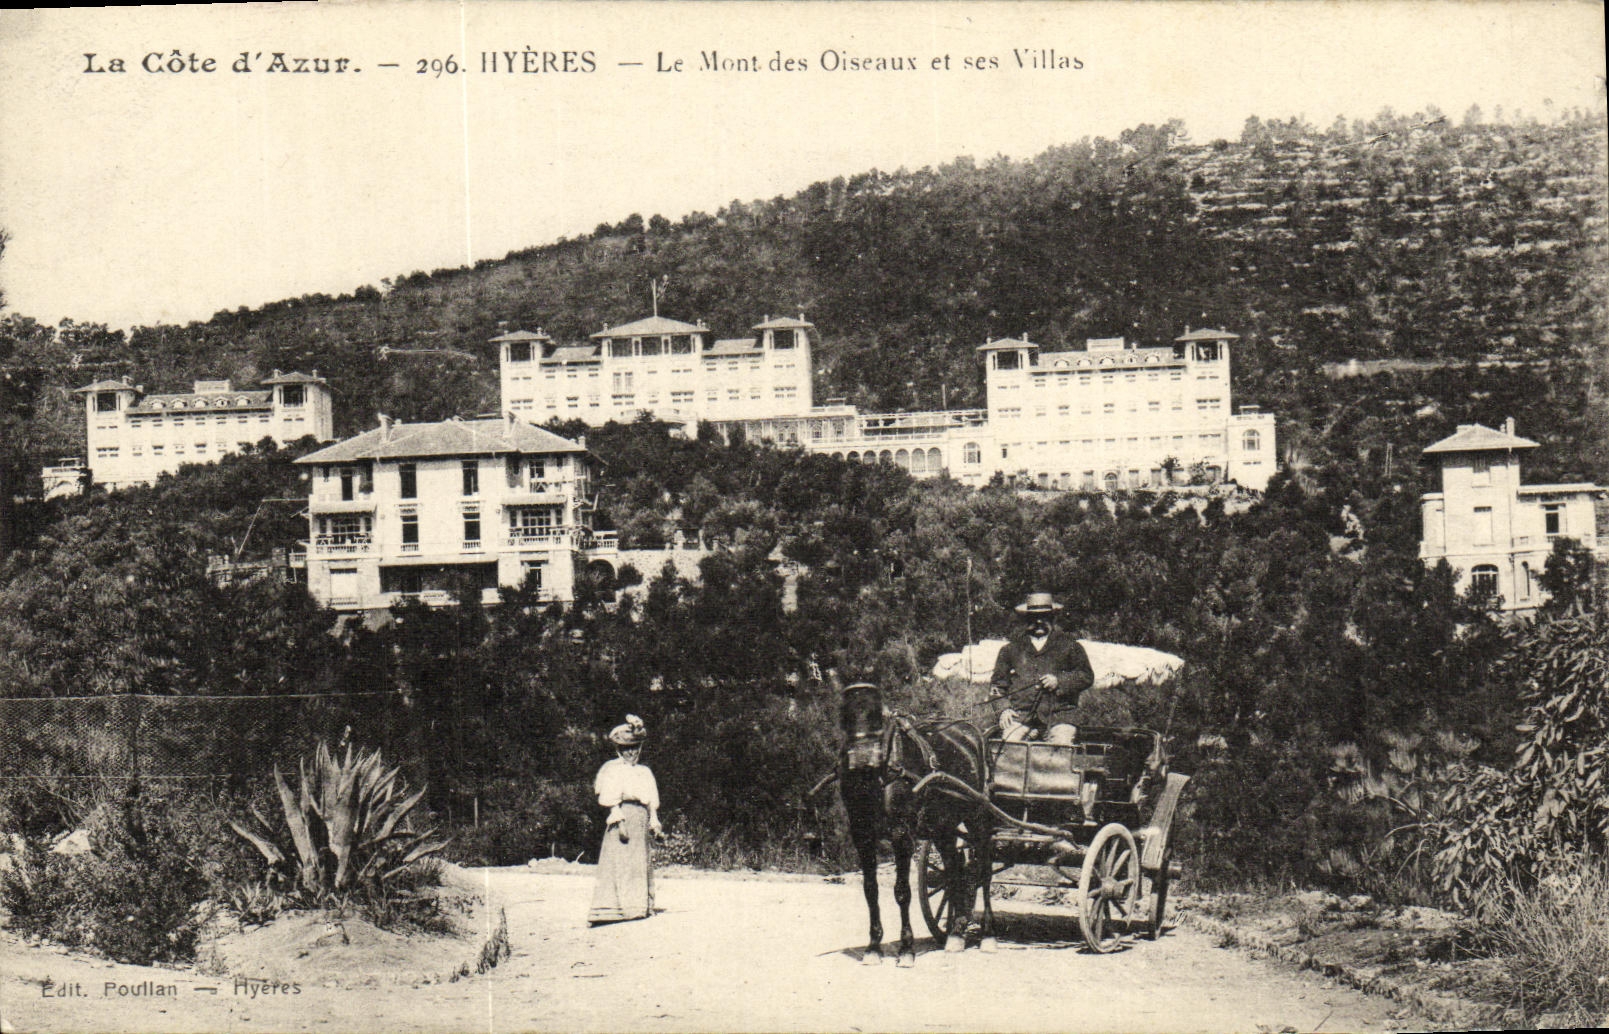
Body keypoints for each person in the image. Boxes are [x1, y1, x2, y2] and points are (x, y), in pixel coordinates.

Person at [990, 592, 1094, 745]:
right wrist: (1003, 709)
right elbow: (997, 685)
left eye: (1044, 616)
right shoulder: (1011, 649)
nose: (1038, 621)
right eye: (1033, 617)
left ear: (1052, 617)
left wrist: (1059, 681)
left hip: (1060, 717)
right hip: (1021, 716)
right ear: (1026, 619)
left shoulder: (1070, 646)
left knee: (1061, 747)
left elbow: (1086, 676)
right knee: (1009, 745)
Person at [588, 714, 662, 925]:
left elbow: (651, 801)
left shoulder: (645, 772)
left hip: (641, 818)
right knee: (619, 862)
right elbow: (610, 798)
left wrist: (654, 820)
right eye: (626, 748)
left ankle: (638, 908)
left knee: (639, 863)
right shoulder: (612, 770)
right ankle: (612, 909)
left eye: (635, 748)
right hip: (623, 817)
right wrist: (619, 821)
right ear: (618, 749)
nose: (631, 752)